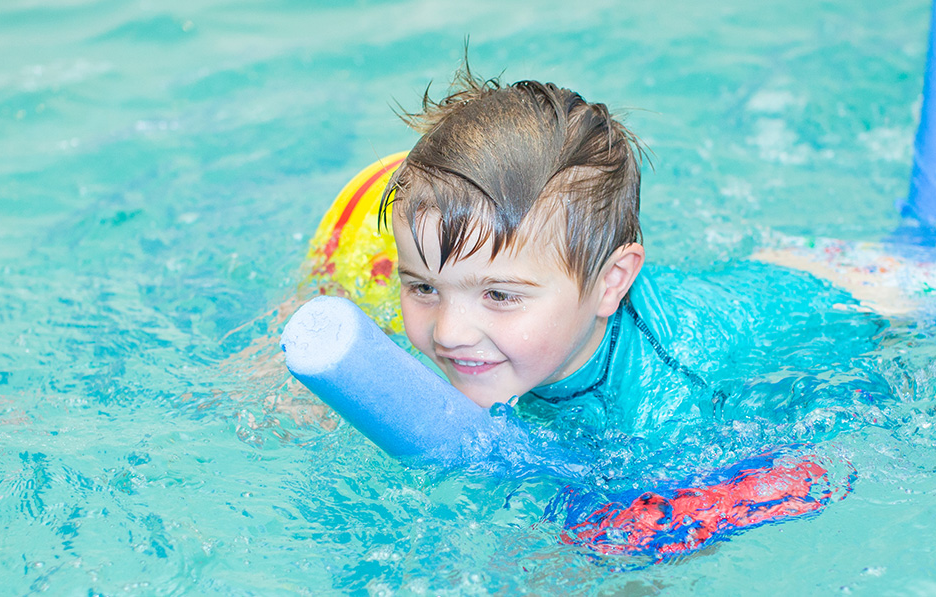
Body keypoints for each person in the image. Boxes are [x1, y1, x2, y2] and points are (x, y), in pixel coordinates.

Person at [378, 69, 885, 451]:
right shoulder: (504, 326)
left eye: (498, 295)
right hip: (732, 285)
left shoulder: (655, 410)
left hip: (848, 307)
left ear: (610, 283)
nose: (448, 332)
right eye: (424, 288)